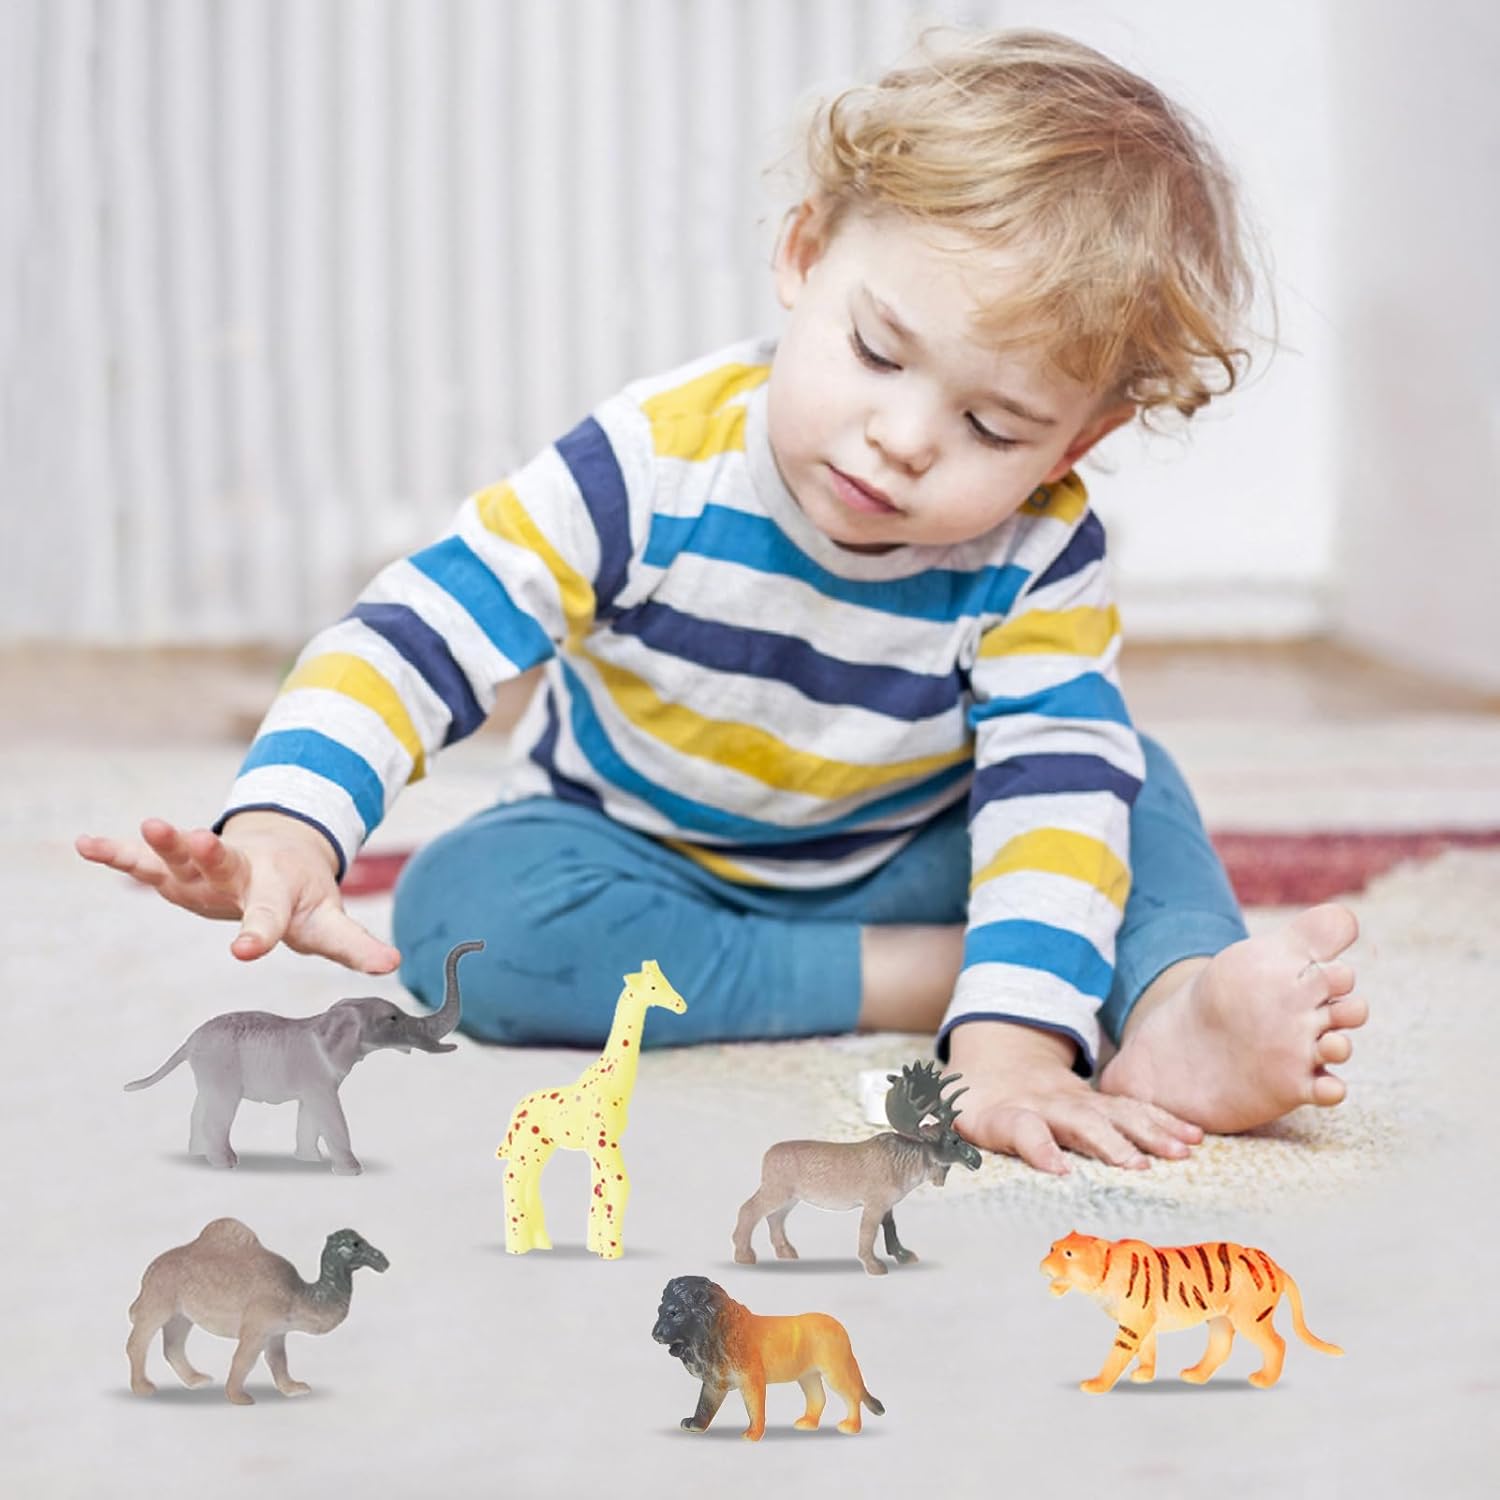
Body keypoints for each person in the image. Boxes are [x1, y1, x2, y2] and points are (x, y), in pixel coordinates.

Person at [77, 30, 1365, 1176]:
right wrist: (289, 826)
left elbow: (1051, 793)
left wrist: (1013, 1055)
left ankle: (1174, 1003)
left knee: (1120, 783)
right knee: (464, 920)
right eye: (877, 352)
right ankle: (954, 977)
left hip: (914, 847)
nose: (904, 438)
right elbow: (416, 637)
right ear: (803, 254)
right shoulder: (647, 467)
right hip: (639, 853)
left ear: (1078, 441)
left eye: (992, 425)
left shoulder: (1039, 549)